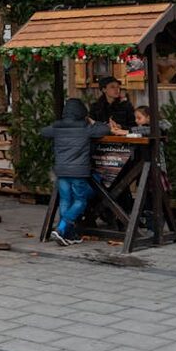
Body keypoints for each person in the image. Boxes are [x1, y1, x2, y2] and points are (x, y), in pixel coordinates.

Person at [42, 98, 111, 246]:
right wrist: (93, 122)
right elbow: (105, 129)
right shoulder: (85, 127)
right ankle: (61, 228)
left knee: (65, 200)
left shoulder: (57, 127)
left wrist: (57, 125)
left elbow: (44, 131)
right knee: (80, 200)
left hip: (61, 170)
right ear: (82, 112)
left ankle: (68, 235)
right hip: (79, 171)